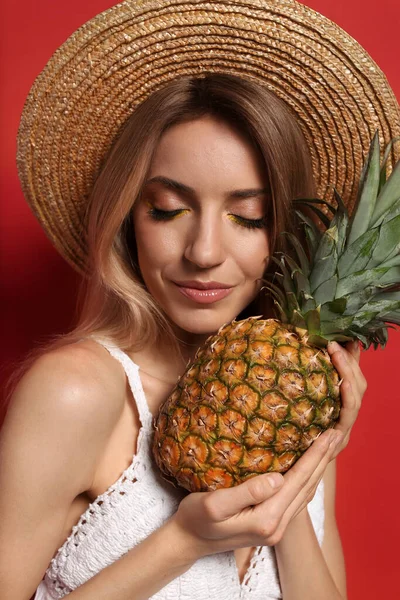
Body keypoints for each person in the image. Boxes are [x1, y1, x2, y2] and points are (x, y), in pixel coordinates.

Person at [1, 1, 398, 599]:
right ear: (128, 217)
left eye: (249, 217)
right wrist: (182, 543)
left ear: (288, 234)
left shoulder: (296, 403)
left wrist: (301, 465)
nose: (205, 251)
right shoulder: (74, 392)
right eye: (168, 209)